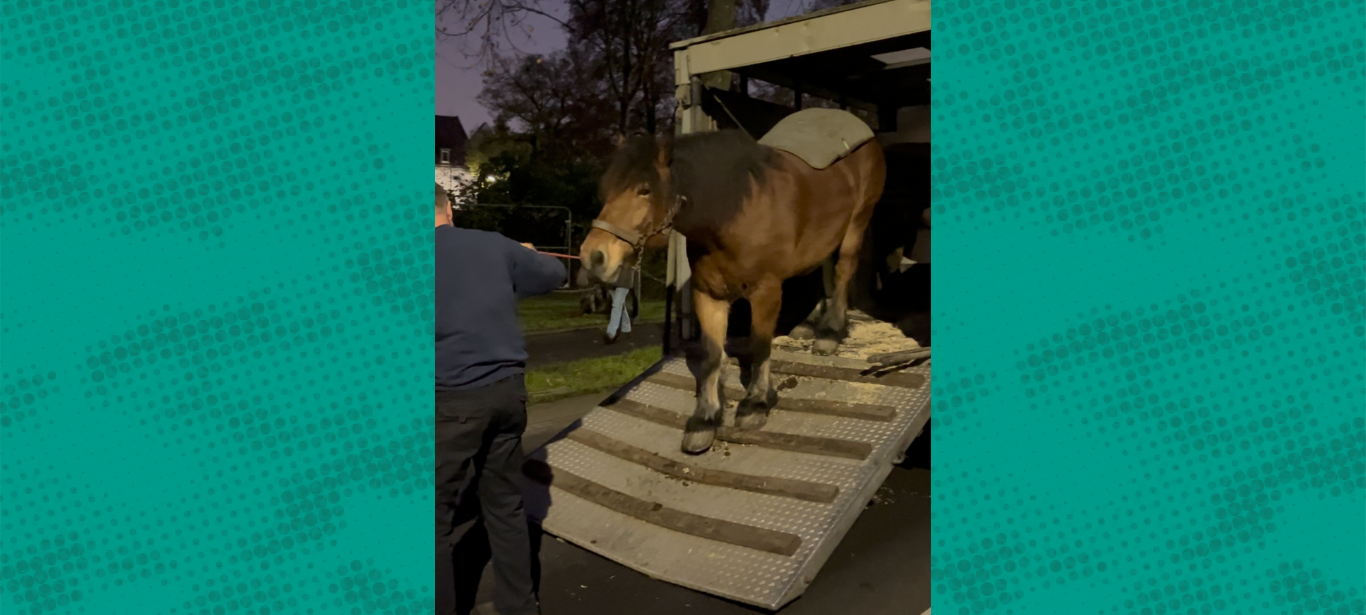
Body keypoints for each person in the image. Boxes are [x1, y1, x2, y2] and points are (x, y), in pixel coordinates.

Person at [435, 184, 566, 615]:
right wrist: (524, 254)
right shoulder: (493, 244)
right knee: (505, 504)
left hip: (448, 400)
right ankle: (519, 607)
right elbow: (554, 275)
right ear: (449, 209)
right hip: (507, 394)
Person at [602, 265, 636, 345]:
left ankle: (611, 333)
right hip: (611, 281)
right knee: (619, 305)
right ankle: (626, 328)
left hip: (624, 280)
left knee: (617, 305)